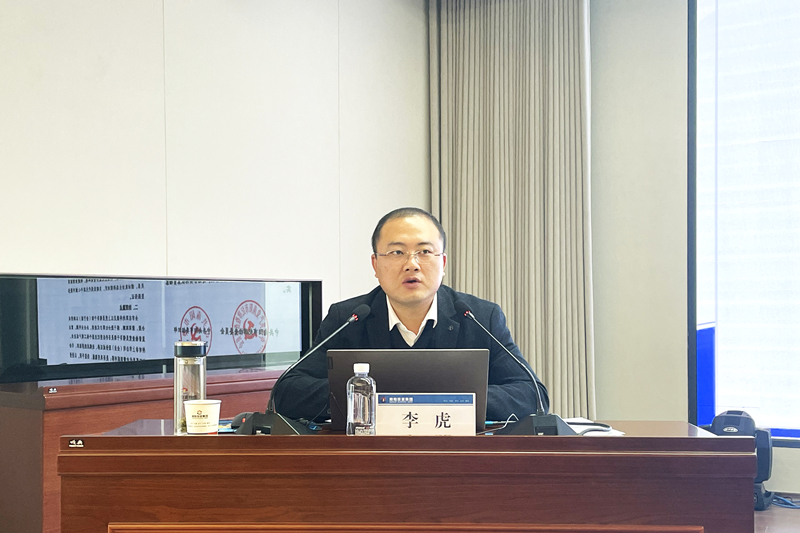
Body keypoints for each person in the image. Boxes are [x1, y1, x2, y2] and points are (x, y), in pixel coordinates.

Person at [271, 207, 548, 423]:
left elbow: (532, 395)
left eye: (424, 251)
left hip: (457, 457)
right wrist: (368, 397)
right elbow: (287, 392)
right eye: (397, 252)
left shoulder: (478, 317)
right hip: (371, 458)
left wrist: (447, 399)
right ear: (375, 264)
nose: (411, 264)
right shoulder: (349, 318)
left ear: (443, 263)